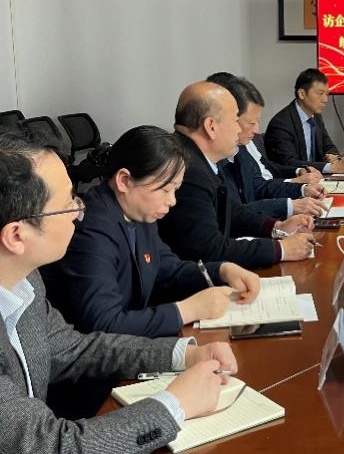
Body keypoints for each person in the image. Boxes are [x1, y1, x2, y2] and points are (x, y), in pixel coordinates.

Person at [0, 130, 238, 453]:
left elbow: (76, 349)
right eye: (67, 204)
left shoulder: (26, 281)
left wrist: (183, 354)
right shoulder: (92, 230)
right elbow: (53, 445)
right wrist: (175, 404)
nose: (79, 213)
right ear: (16, 236)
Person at [41, 125, 262, 338]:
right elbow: (104, 324)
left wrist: (222, 271)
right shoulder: (92, 231)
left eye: (175, 190)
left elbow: (167, 269)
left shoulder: (138, 211)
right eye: (165, 190)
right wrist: (188, 310)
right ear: (124, 181)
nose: (172, 201)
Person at [158, 82, 315, 270]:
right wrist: (281, 249)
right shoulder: (189, 171)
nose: (239, 129)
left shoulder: (201, 158)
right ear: (211, 126)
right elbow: (209, 250)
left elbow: (231, 211)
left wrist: (277, 228)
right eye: (234, 120)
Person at [206, 73, 328, 219]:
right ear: (212, 123)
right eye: (251, 122)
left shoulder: (238, 148)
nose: (257, 130)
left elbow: (257, 186)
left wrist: (302, 190)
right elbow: (234, 214)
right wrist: (288, 208)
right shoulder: (199, 166)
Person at [264, 68, 344, 173]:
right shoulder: (281, 124)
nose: (325, 100)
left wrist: (334, 157)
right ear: (302, 94)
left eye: (326, 94)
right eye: (320, 93)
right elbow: (288, 163)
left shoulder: (316, 116)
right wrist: (329, 167)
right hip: (294, 180)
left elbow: (328, 146)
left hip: (316, 178)